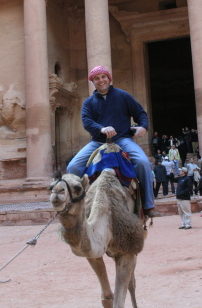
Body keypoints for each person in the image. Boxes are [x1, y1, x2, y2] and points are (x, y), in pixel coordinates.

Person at [67, 65, 157, 217]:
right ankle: (76, 205)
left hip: (122, 139)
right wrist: (101, 129)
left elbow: (140, 113)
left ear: (109, 78)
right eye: (97, 78)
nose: (101, 80)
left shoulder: (123, 96)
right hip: (98, 142)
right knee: (73, 167)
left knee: (143, 162)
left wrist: (143, 128)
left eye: (103, 77)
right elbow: (87, 122)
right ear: (93, 82)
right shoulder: (89, 102)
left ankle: (148, 204)